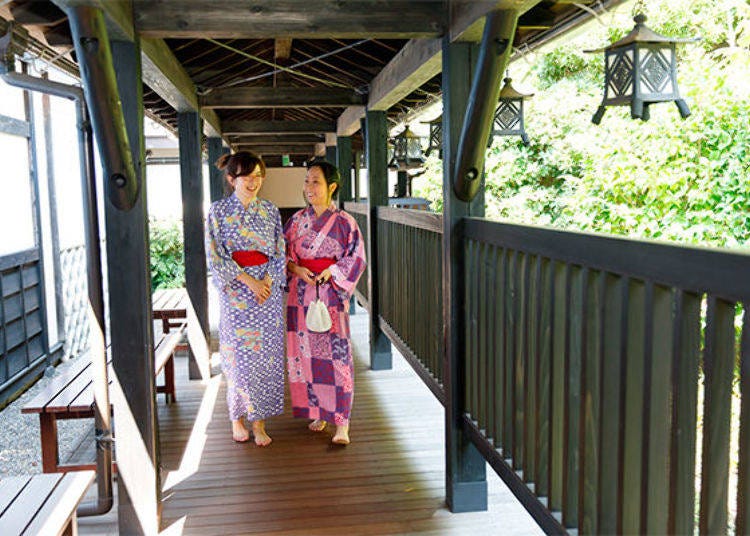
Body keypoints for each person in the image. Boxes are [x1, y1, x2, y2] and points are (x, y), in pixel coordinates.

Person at [205, 151, 285, 446]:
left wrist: (267, 281)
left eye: (258, 175)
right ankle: (237, 418)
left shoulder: (270, 210)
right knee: (238, 356)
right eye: (247, 176)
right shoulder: (218, 211)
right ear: (231, 179)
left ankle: (259, 421)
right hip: (237, 293)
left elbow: (279, 250)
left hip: (266, 292)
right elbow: (215, 254)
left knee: (265, 357)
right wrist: (248, 280)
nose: (254, 182)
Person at [284, 161, 366, 445]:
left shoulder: (345, 223)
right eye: (307, 181)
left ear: (332, 186)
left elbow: (357, 258)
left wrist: (333, 271)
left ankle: (342, 421)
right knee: (306, 355)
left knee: (336, 356)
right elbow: (282, 255)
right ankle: (318, 411)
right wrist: (296, 270)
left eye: (316, 182)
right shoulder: (295, 222)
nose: (309, 188)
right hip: (301, 295)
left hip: (330, 294)